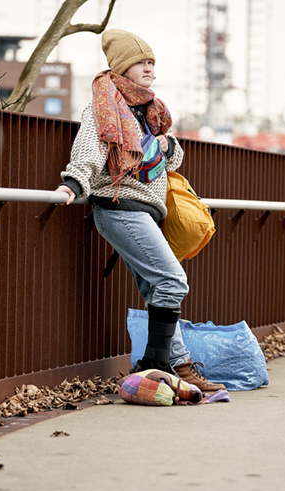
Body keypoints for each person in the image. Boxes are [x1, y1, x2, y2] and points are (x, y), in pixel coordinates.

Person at [55, 29, 225, 392]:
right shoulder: (104, 107)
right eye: (141, 62)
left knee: (158, 289)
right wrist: (72, 183)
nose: (149, 69)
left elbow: (172, 160)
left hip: (145, 212)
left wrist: (166, 144)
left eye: (152, 62)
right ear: (122, 67)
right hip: (119, 208)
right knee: (172, 281)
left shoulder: (149, 110)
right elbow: (89, 149)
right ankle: (155, 364)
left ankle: (176, 364)